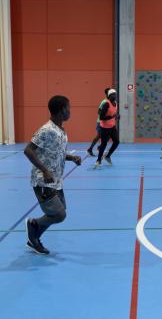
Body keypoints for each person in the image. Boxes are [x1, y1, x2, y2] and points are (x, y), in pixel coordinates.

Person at [24, 95, 82, 255]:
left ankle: (33, 239)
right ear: (61, 110)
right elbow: (28, 150)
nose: (70, 111)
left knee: (60, 210)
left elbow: (56, 153)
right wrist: (44, 170)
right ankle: (33, 225)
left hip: (56, 180)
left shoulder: (61, 130)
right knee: (58, 214)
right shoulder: (47, 130)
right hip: (43, 181)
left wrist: (71, 157)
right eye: (68, 108)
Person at [95, 89, 120, 167]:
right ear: (109, 96)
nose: (115, 96)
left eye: (115, 94)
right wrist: (112, 117)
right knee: (104, 144)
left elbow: (114, 113)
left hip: (112, 126)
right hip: (104, 128)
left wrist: (117, 116)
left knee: (116, 141)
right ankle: (98, 160)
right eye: (113, 95)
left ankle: (107, 156)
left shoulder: (115, 104)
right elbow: (101, 117)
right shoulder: (106, 104)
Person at [87, 88, 110, 157]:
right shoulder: (104, 102)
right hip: (100, 122)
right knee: (99, 136)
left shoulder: (111, 102)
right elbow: (99, 111)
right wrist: (104, 116)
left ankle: (99, 147)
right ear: (107, 94)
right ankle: (90, 149)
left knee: (108, 136)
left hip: (107, 123)